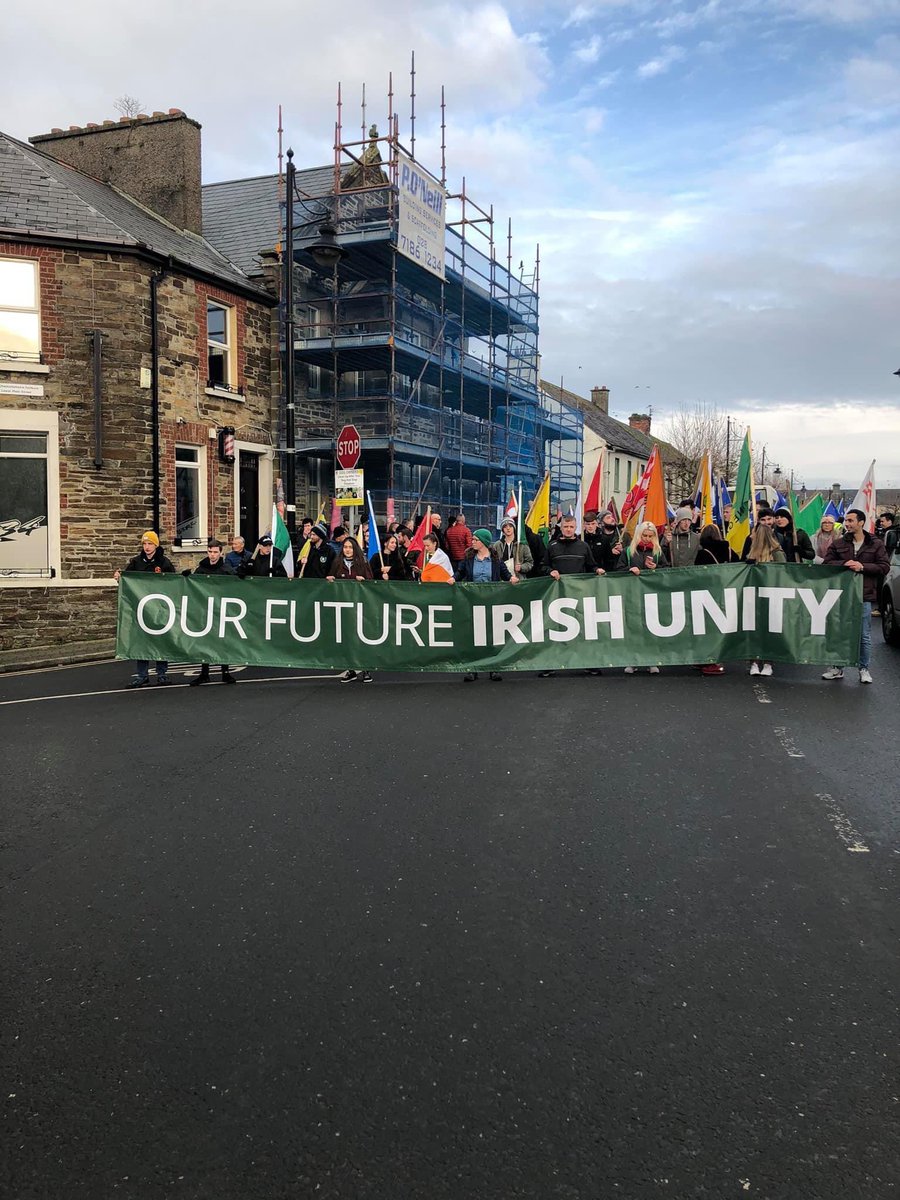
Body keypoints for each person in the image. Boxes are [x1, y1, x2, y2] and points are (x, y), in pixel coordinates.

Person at [821, 507, 890, 685]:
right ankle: (837, 668)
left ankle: (863, 668)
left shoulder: (876, 543)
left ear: (861, 522)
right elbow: (827, 563)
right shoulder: (838, 543)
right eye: (846, 521)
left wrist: (863, 567)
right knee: (838, 632)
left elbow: (884, 566)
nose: (847, 524)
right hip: (841, 594)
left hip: (863, 595)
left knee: (863, 635)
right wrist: (845, 563)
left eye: (851, 521)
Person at [114, 531, 176, 687]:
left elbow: (174, 582)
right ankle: (142, 675)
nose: (147, 547)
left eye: (150, 544)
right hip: (141, 609)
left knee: (161, 640)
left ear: (156, 545)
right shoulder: (136, 562)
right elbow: (127, 582)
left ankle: (162, 673)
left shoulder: (164, 562)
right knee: (141, 641)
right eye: (145, 544)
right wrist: (119, 578)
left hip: (159, 608)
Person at [455, 528, 515, 681]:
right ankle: (472, 668)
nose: (472, 542)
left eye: (475, 540)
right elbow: (460, 573)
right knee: (473, 636)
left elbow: (505, 575)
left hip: (491, 602)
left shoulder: (495, 560)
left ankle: (493, 667)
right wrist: (452, 579)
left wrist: (511, 579)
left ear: (484, 542)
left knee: (492, 635)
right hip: (472, 602)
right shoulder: (469, 558)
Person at [618, 521, 667, 675]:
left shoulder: (658, 552)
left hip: (652, 595)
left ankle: (651, 660)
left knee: (651, 628)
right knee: (633, 628)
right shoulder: (628, 551)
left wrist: (655, 568)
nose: (646, 539)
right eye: (644, 535)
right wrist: (629, 569)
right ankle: (632, 661)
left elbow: (668, 570)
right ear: (638, 535)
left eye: (650, 536)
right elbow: (617, 569)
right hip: (632, 594)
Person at [189, 540, 237, 686]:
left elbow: (237, 587)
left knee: (223, 641)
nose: (212, 555)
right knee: (204, 641)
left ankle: (226, 672)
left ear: (221, 552)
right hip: (205, 610)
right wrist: (187, 578)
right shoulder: (201, 569)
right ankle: (204, 673)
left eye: (215, 552)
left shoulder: (226, 569)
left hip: (221, 610)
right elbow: (193, 586)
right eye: (210, 551)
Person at [327, 537, 374, 683]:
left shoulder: (362, 563)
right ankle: (351, 670)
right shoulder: (337, 563)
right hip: (343, 607)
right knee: (347, 639)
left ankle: (366, 669)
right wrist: (330, 580)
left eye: (350, 547)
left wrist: (364, 581)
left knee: (361, 638)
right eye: (345, 547)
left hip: (360, 607)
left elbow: (372, 583)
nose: (347, 550)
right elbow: (331, 578)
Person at [744, 524, 785, 677]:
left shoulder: (777, 553)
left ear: (759, 535)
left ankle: (768, 662)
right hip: (753, 596)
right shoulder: (751, 553)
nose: (750, 536)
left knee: (770, 630)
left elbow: (784, 573)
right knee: (753, 630)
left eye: (753, 533)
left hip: (772, 597)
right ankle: (754, 662)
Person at [694, 525, 735, 675]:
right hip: (726, 592)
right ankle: (714, 659)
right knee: (720, 628)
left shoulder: (703, 553)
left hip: (707, 595)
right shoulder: (729, 551)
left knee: (706, 628)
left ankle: (708, 660)